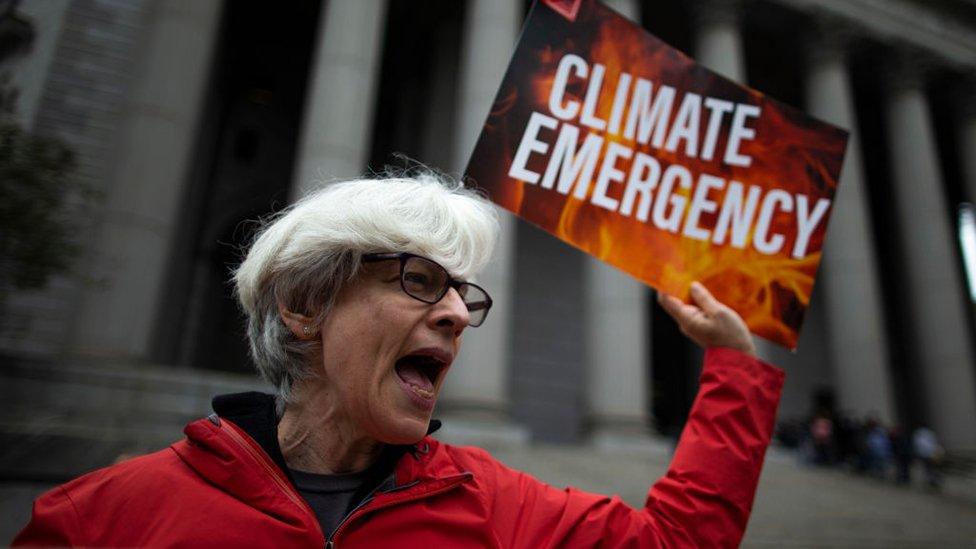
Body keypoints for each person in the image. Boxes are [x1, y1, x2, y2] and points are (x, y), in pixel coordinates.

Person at [13, 174, 784, 548]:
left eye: (464, 295)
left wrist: (733, 364)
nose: (455, 313)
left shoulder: (492, 504)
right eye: (418, 281)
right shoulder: (102, 517)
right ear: (306, 305)